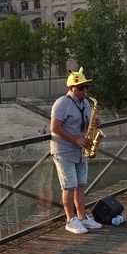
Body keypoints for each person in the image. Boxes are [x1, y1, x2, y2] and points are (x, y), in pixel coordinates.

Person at [50, 68, 102, 233]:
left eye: (86, 87)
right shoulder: (62, 103)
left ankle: (82, 217)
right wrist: (76, 139)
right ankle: (70, 220)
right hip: (64, 150)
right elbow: (55, 128)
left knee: (80, 185)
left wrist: (94, 125)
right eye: (81, 88)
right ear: (70, 88)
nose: (84, 91)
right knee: (69, 186)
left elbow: (86, 124)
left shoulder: (86, 103)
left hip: (80, 150)